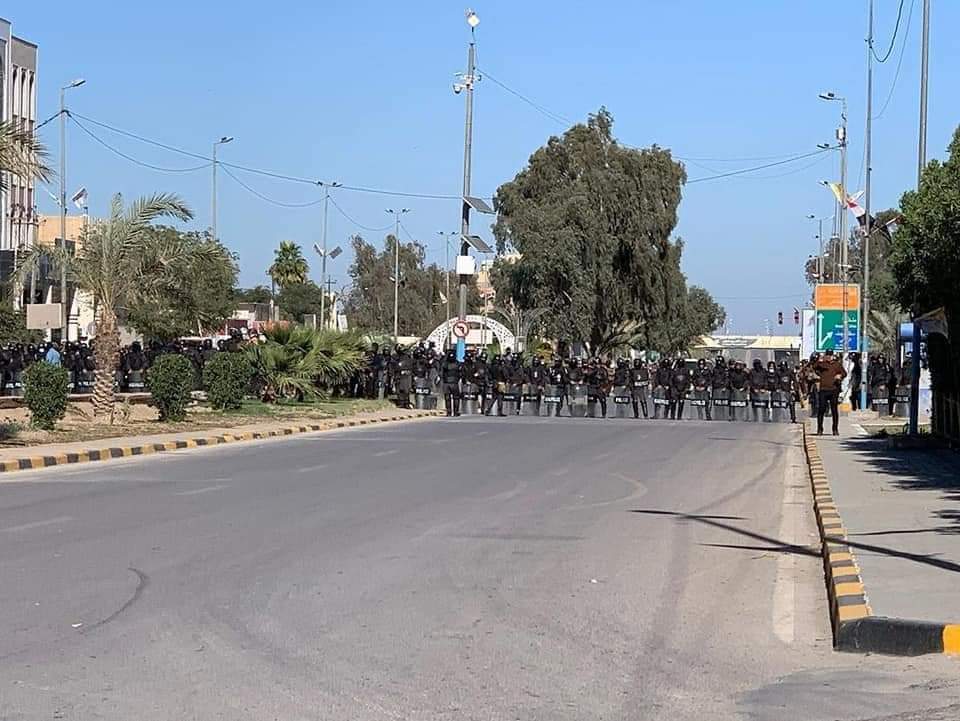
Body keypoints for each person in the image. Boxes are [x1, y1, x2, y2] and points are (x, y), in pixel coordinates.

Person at [815, 349, 846, 435]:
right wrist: (819, 360)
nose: (828, 357)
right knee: (821, 409)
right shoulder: (822, 364)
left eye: (830, 355)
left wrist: (840, 376)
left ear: (832, 356)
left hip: (833, 390)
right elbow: (814, 367)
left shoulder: (837, 364)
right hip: (823, 390)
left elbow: (844, 373)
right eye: (827, 355)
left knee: (834, 410)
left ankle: (835, 429)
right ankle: (820, 429)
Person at [439, 348, 462, 417]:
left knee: (447, 398)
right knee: (456, 398)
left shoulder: (445, 364)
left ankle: (449, 412)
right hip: (454, 383)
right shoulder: (457, 363)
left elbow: (441, 373)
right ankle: (455, 412)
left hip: (447, 383)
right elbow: (460, 373)